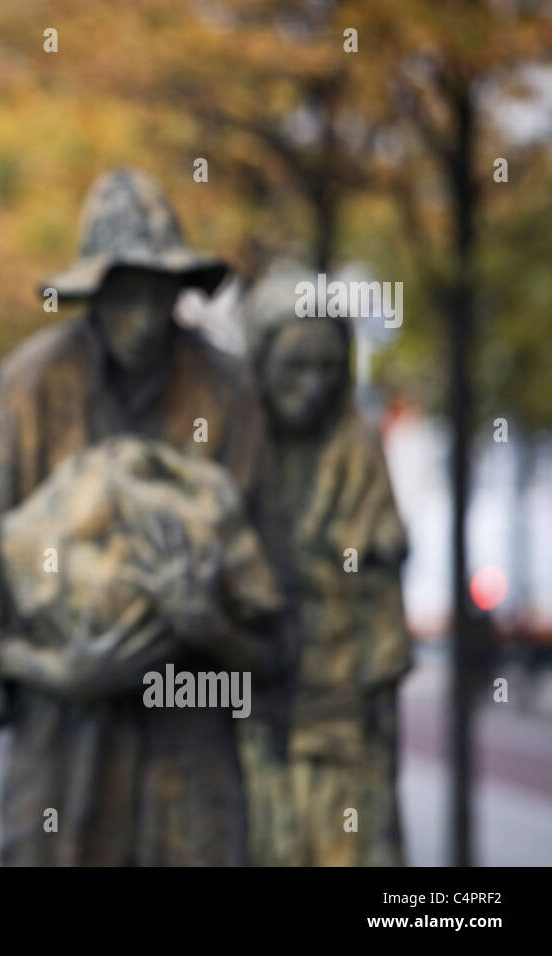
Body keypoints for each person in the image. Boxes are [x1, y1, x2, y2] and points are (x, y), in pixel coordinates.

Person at [0, 169, 280, 864]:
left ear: (178, 293)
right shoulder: (33, 385)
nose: (140, 320)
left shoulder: (228, 392)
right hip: (63, 735)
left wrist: (210, 627)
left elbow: (276, 639)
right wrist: (63, 673)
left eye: (156, 296)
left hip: (191, 736)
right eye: (121, 297)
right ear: (93, 297)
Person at [238, 264, 412, 866]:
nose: (312, 385)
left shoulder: (360, 455)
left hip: (343, 737)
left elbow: (383, 614)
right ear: (259, 364)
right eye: (294, 366)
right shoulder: (230, 452)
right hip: (250, 733)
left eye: (328, 368)